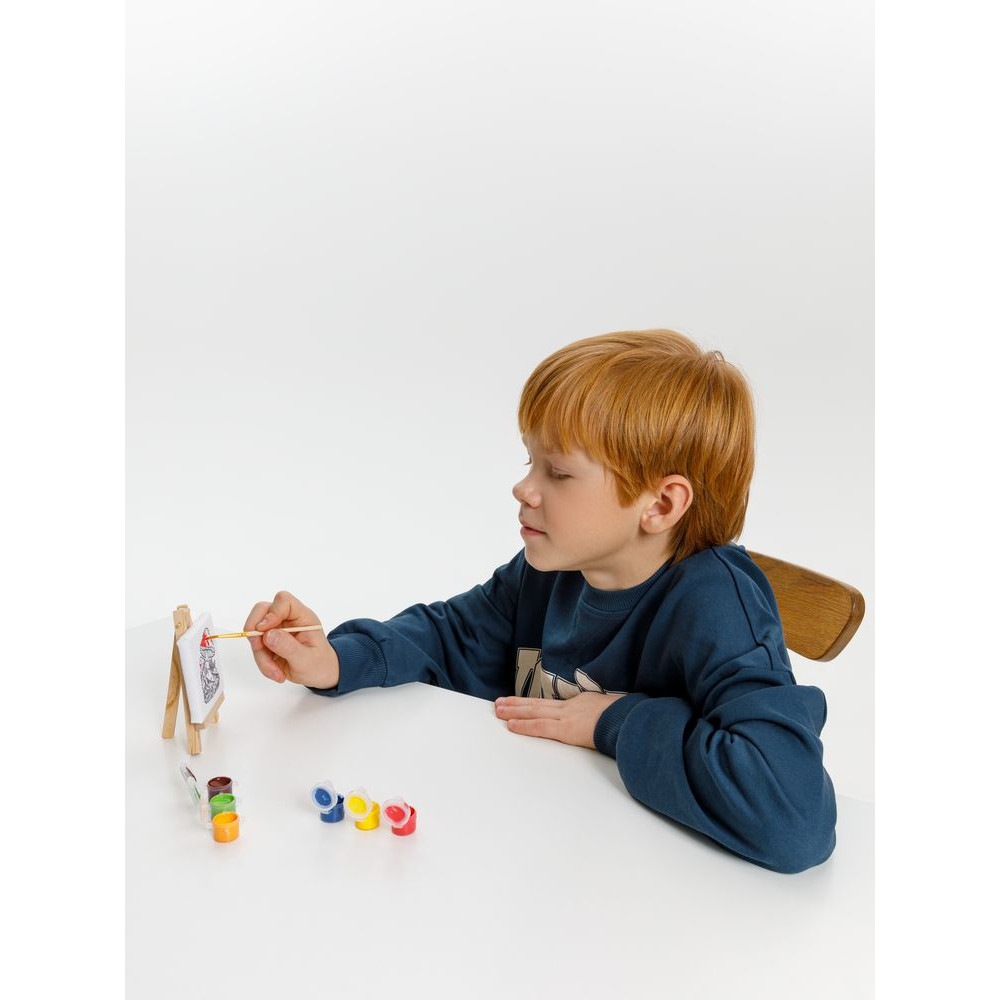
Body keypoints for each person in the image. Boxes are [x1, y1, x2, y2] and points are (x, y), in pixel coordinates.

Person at [244, 328, 836, 874]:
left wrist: (611, 721)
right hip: (531, 844)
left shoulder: (719, 608)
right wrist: (335, 660)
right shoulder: (552, 569)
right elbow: (452, 637)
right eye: (531, 462)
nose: (523, 488)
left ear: (659, 505)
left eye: (558, 472)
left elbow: (793, 818)